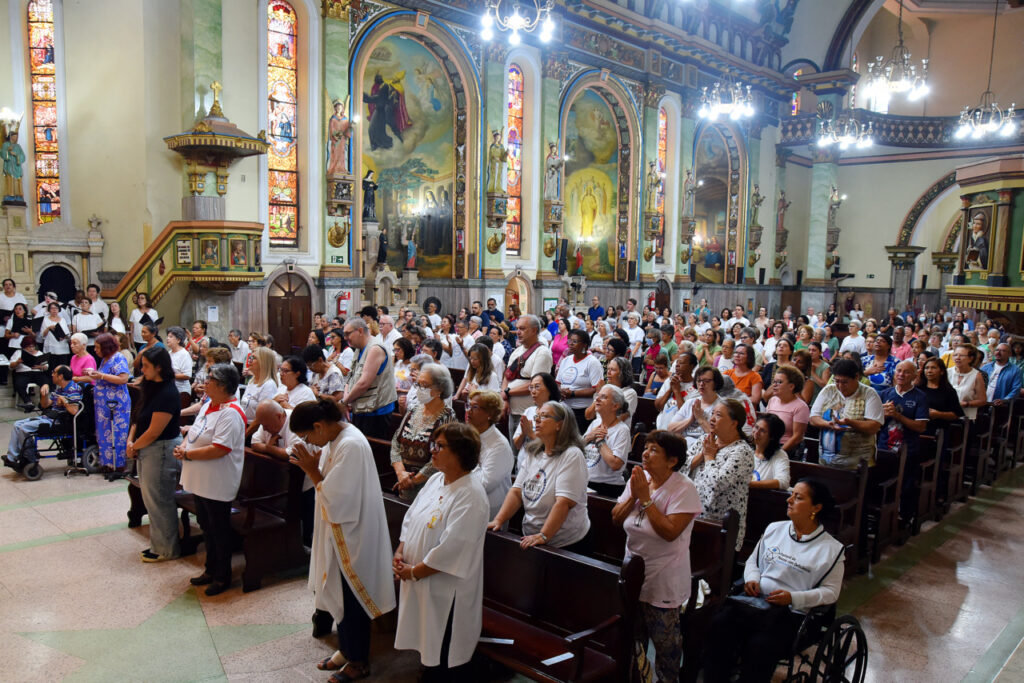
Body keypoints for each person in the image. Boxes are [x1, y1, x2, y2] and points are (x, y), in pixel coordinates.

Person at [288, 399, 397, 681]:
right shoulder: (334, 440)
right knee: (339, 590)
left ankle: (359, 660)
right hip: (338, 531)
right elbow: (329, 488)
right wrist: (314, 468)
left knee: (353, 598)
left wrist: (310, 469)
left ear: (319, 425)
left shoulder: (351, 445)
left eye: (307, 436)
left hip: (353, 534)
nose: (309, 443)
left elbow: (340, 499)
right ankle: (347, 650)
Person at [704, 479, 844, 683]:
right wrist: (752, 578)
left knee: (760, 646)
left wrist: (793, 598)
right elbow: (754, 561)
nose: (789, 500)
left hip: (791, 615)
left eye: (798, 497)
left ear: (816, 508)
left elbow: (831, 592)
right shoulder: (775, 529)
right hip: (754, 603)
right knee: (719, 626)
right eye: (791, 494)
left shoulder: (831, 550)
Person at [392, 422, 489, 682]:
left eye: (440, 446)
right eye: (433, 444)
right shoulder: (436, 479)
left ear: (461, 452)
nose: (431, 451)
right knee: (428, 643)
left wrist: (414, 571)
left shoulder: (471, 494)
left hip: (447, 588)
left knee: (444, 648)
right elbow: (412, 519)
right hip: (421, 579)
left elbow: (453, 547)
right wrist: (401, 552)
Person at [611, 430, 702, 683]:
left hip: (664, 579)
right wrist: (634, 495)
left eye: (654, 450)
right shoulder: (638, 480)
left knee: (666, 648)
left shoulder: (684, 488)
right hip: (632, 575)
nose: (645, 453)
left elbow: (670, 532)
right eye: (645, 448)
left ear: (672, 460)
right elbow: (616, 519)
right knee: (633, 641)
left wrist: (646, 499)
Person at [175, 363, 245, 596]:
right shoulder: (209, 405)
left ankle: (222, 576)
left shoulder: (231, 413)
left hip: (217, 481)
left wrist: (187, 454)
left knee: (219, 530)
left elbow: (220, 449)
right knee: (206, 526)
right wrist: (184, 445)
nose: (205, 382)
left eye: (211, 379)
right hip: (201, 480)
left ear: (224, 385)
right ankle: (209, 569)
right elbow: (195, 431)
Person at [488, 401, 590, 550]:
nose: (536, 419)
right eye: (537, 415)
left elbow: (563, 503)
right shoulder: (533, 451)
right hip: (531, 534)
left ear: (559, 425)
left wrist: (543, 535)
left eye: (544, 416)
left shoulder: (572, 455)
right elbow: (517, 492)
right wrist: (498, 520)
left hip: (565, 543)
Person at [126, 347, 183, 562]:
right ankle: (158, 544)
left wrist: (135, 446)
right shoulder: (150, 386)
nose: (142, 369)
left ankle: (167, 549)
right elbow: (139, 416)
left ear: (159, 367)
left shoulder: (168, 392)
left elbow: (154, 430)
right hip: (146, 447)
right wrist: (131, 441)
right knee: (150, 499)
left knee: (160, 499)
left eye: (146, 366)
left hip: (160, 449)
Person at [685, 400, 755, 550]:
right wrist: (700, 456)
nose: (712, 419)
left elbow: (717, 484)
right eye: (712, 414)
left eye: (718, 415)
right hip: (692, 517)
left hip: (720, 528)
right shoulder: (706, 441)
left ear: (734, 423)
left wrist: (709, 457)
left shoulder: (742, 452)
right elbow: (678, 467)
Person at [391, 363, 456, 501]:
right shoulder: (414, 409)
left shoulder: (447, 417)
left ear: (439, 389)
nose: (419, 389)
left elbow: (441, 455)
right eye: (417, 384)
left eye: (424, 385)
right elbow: (396, 442)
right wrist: (401, 473)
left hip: (428, 488)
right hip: (403, 482)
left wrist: (413, 481)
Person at [878, 360, 929, 525]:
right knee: (883, 484)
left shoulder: (920, 397)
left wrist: (898, 416)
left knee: (906, 485)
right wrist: (883, 415)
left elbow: (921, 426)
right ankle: (883, 517)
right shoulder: (885, 394)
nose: (901, 374)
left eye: (906, 372)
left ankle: (904, 517)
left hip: (908, 448)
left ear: (914, 375)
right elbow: (874, 422)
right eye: (898, 371)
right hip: (884, 447)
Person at [810, 358, 884, 470]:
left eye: (844, 382)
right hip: (827, 460)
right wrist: (827, 424)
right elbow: (813, 418)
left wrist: (849, 422)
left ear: (856, 377)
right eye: (837, 381)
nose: (840, 386)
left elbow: (873, 427)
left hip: (858, 463)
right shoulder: (829, 390)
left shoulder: (869, 394)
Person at [3, 365, 81, 470]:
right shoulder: (59, 388)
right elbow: (45, 405)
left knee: (24, 428)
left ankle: (29, 458)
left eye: (54, 372)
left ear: (61, 376)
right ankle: (11, 458)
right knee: (17, 425)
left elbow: (74, 411)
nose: (52, 374)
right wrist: (44, 394)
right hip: (49, 417)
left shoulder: (74, 389)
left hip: (59, 421)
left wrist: (64, 401)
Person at [340, 318, 397, 440]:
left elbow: (364, 383)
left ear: (360, 331)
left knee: (372, 449)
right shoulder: (359, 348)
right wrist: (346, 399)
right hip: (361, 407)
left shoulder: (375, 348)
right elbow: (351, 376)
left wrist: (344, 402)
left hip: (376, 411)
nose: (345, 338)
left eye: (347, 334)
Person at [502, 314, 553, 437]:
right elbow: (507, 376)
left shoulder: (542, 352)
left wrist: (508, 392)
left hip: (530, 413)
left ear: (534, 330)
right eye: (518, 328)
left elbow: (536, 385)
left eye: (522, 329)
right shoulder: (517, 351)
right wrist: (504, 398)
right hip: (513, 410)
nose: (518, 332)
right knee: (515, 452)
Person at [86, 333, 132, 471]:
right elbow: (104, 377)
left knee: (117, 433)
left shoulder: (118, 358)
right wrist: (93, 373)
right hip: (103, 406)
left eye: (97, 347)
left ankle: (118, 464)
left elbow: (123, 378)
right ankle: (107, 463)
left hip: (116, 404)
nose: (95, 350)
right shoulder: (104, 360)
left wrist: (101, 375)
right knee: (104, 433)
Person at [465, 390, 514, 518]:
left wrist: (459, 473)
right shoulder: (468, 434)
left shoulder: (499, 445)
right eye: (468, 406)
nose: (468, 411)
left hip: (488, 509)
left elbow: (485, 483)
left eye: (474, 407)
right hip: (465, 501)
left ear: (490, 414)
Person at [582, 384, 631, 496]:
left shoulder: (622, 430)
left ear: (615, 406)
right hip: (586, 482)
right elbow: (576, 447)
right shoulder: (595, 424)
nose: (597, 399)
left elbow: (615, 464)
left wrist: (600, 442)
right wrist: (589, 437)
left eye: (603, 397)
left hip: (607, 488)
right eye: (597, 396)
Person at [556, 329, 603, 433]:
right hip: (565, 409)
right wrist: (561, 391)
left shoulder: (592, 362)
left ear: (585, 345)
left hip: (582, 411)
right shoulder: (566, 360)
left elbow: (597, 389)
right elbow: (558, 383)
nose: (571, 344)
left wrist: (573, 393)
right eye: (569, 341)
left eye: (575, 341)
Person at [765, 365, 809, 454]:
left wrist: (779, 454)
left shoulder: (801, 406)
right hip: (769, 445)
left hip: (788, 449)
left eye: (779, 382)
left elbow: (797, 437)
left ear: (791, 386)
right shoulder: (772, 401)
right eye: (774, 382)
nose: (774, 385)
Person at [511, 372, 559, 453]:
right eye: (531, 387)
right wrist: (523, 433)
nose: (533, 391)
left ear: (550, 389)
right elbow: (517, 445)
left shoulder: (557, 412)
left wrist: (531, 434)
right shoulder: (529, 411)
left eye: (537, 387)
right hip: (524, 462)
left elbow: (553, 446)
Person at [917, 356, 964, 435]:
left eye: (933, 368)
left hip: (938, 430)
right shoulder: (918, 389)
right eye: (927, 368)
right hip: (918, 428)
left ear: (941, 371)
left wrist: (939, 414)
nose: (929, 371)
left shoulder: (948, 391)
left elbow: (956, 414)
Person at [750, 414, 791, 490]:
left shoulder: (779, 455)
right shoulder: (746, 448)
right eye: (756, 427)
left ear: (772, 436)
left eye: (762, 430)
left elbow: (783, 482)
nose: (756, 433)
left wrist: (749, 484)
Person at [239, 347, 279, 421]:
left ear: (263, 362)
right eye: (250, 357)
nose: (249, 360)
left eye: (254, 358)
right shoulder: (252, 380)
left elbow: (263, 417)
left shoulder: (269, 385)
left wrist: (247, 432)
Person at [9, 335, 49, 408]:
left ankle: (42, 403)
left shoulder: (39, 353)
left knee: (45, 382)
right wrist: (17, 362)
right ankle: (28, 402)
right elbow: (11, 366)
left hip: (37, 372)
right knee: (19, 384)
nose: (31, 348)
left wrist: (40, 367)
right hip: (23, 373)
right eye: (29, 347)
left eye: (33, 346)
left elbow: (46, 366)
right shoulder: (18, 352)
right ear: (24, 346)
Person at [948, 344, 985, 421]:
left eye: (961, 355)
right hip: (947, 415)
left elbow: (982, 400)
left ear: (970, 358)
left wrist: (967, 404)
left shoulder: (976, 376)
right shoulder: (946, 372)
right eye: (955, 355)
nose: (957, 358)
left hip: (966, 418)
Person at [165, 327, 193, 404]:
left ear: (178, 340)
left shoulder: (184, 354)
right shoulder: (169, 353)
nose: (167, 339)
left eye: (171, 337)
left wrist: (169, 375)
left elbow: (187, 375)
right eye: (167, 336)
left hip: (181, 392)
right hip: (170, 388)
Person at [39, 301, 70, 368]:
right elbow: (42, 335)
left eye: (56, 308)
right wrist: (48, 328)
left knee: (62, 368)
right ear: (49, 310)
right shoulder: (45, 320)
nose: (54, 310)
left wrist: (64, 336)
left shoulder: (63, 320)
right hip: (51, 348)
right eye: (52, 308)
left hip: (62, 347)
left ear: (59, 309)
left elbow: (67, 333)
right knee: (51, 368)